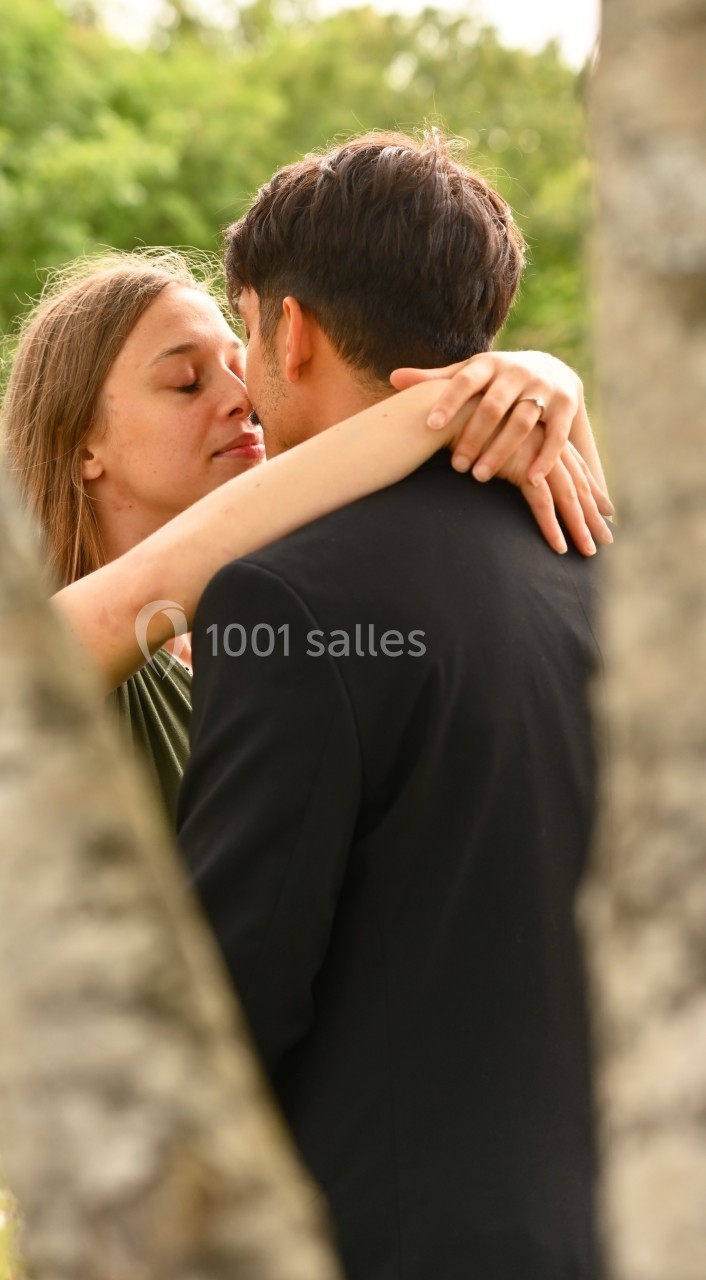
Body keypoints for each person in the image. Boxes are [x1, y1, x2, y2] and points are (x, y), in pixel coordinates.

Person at [176, 132, 607, 1277]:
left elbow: (228, 1004)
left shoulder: (283, 594)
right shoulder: (618, 573)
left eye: (246, 330)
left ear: (293, 330)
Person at [0, 249, 610, 826]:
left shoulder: (237, 638)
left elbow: (583, 559)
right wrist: (457, 401)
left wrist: (551, 391)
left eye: (240, 369)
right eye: (188, 382)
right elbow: (145, 588)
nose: (243, 400)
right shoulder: (38, 645)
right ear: (83, 443)